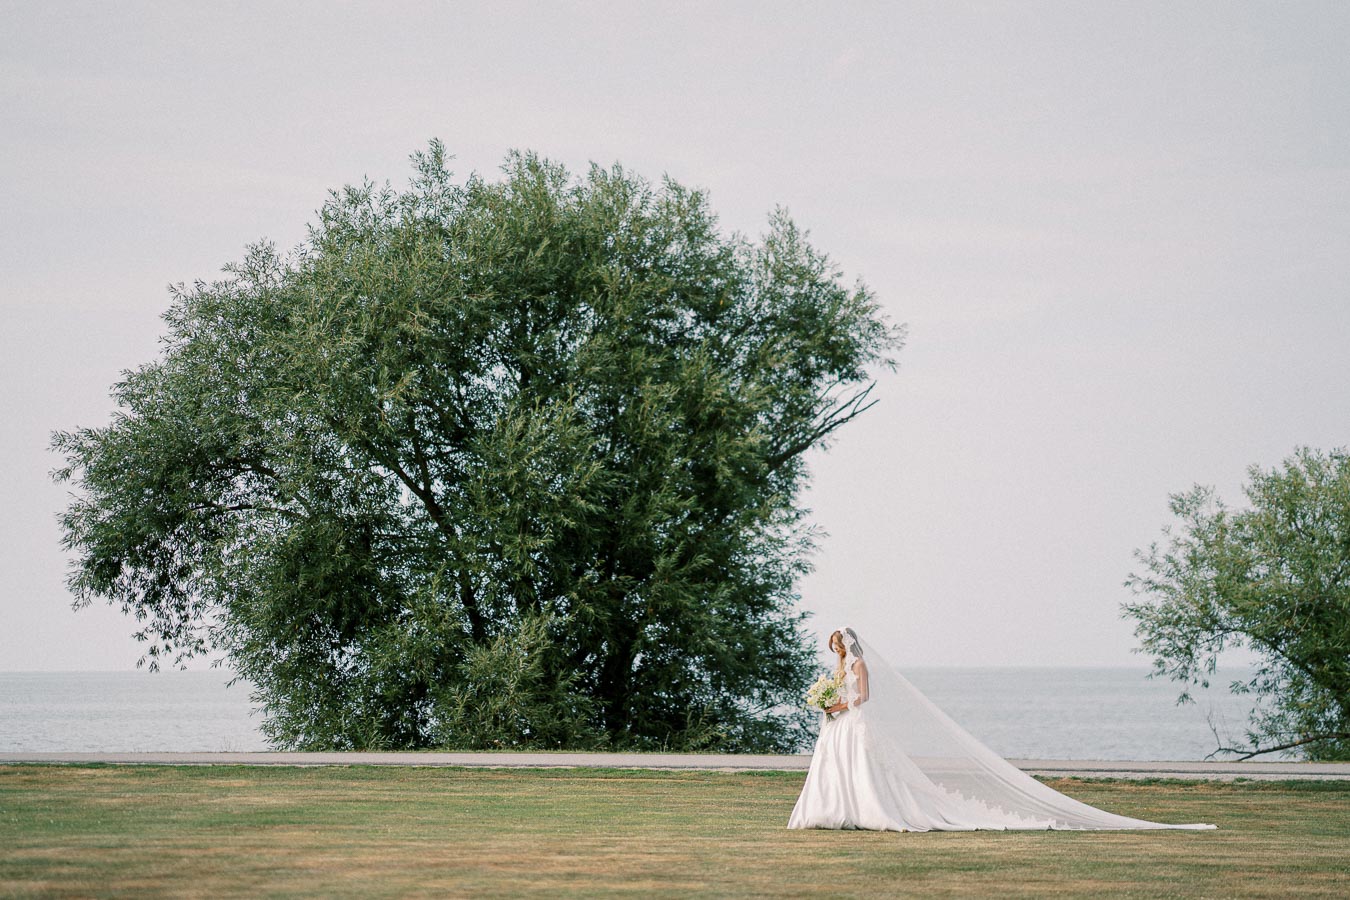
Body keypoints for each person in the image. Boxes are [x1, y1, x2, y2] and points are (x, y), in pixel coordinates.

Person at [787, 626, 1217, 832]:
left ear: (850, 643)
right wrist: (829, 704)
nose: (838, 651)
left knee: (868, 770)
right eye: (835, 648)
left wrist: (840, 702)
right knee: (837, 768)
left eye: (840, 645)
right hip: (837, 724)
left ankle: (869, 810)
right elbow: (842, 693)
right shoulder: (840, 666)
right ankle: (834, 810)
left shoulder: (859, 665)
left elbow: (864, 697)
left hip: (854, 719)